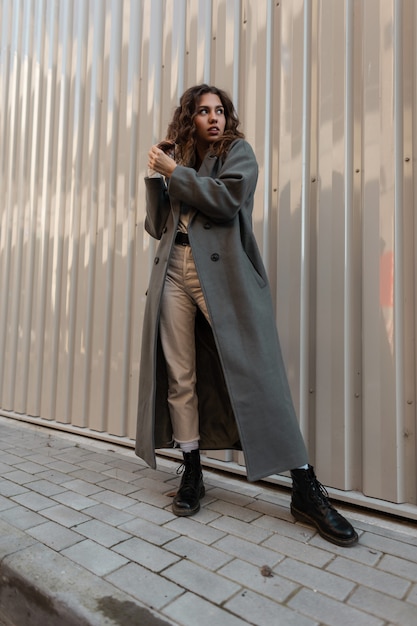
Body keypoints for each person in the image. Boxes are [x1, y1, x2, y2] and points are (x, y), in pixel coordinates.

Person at [135, 84, 358, 547]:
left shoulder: (238, 154)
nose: (213, 118)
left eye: (220, 111)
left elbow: (224, 201)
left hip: (222, 277)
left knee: (261, 376)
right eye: (203, 111)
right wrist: (156, 178)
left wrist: (174, 172)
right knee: (181, 376)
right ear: (189, 117)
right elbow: (157, 226)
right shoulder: (183, 160)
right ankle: (193, 472)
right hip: (172, 270)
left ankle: (304, 487)